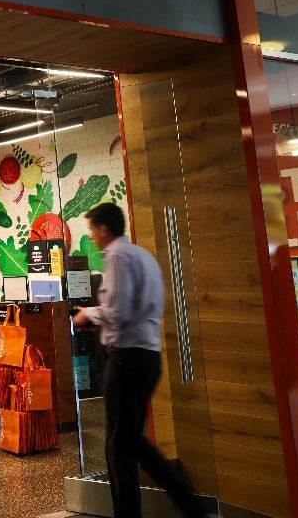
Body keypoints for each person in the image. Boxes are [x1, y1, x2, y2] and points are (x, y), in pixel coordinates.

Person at [72, 203, 206, 518]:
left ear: (104, 229)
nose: (91, 237)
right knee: (132, 442)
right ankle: (193, 507)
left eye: (92, 230)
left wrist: (88, 314)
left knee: (120, 447)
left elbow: (118, 311)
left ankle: (177, 508)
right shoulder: (143, 256)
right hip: (147, 357)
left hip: (126, 361)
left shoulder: (117, 256)